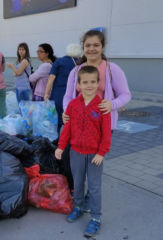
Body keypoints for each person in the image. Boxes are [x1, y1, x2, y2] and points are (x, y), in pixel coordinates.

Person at [62, 30, 131, 208]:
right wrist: (66, 112)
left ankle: (89, 198)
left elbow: (125, 94)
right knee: (73, 163)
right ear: (83, 48)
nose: (91, 49)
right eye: (88, 45)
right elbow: (68, 96)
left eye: (96, 45)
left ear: (102, 47)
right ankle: (78, 194)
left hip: (101, 125)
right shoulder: (76, 70)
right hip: (77, 125)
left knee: (94, 163)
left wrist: (112, 104)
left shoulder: (111, 69)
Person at [55, 66, 111, 237]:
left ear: (98, 83)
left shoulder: (102, 106)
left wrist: (102, 152)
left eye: (93, 82)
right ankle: (78, 207)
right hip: (76, 153)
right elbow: (67, 129)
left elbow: (106, 133)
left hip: (95, 155)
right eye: (85, 82)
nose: (89, 85)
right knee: (78, 183)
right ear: (78, 85)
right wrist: (61, 146)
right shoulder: (72, 105)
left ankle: (95, 218)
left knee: (94, 187)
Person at [44, 44, 82, 133]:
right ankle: (66, 145)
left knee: (55, 122)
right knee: (69, 123)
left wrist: (46, 93)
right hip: (73, 96)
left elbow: (51, 78)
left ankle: (55, 143)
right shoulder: (80, 64)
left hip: (57, 95)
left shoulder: (59, 61)